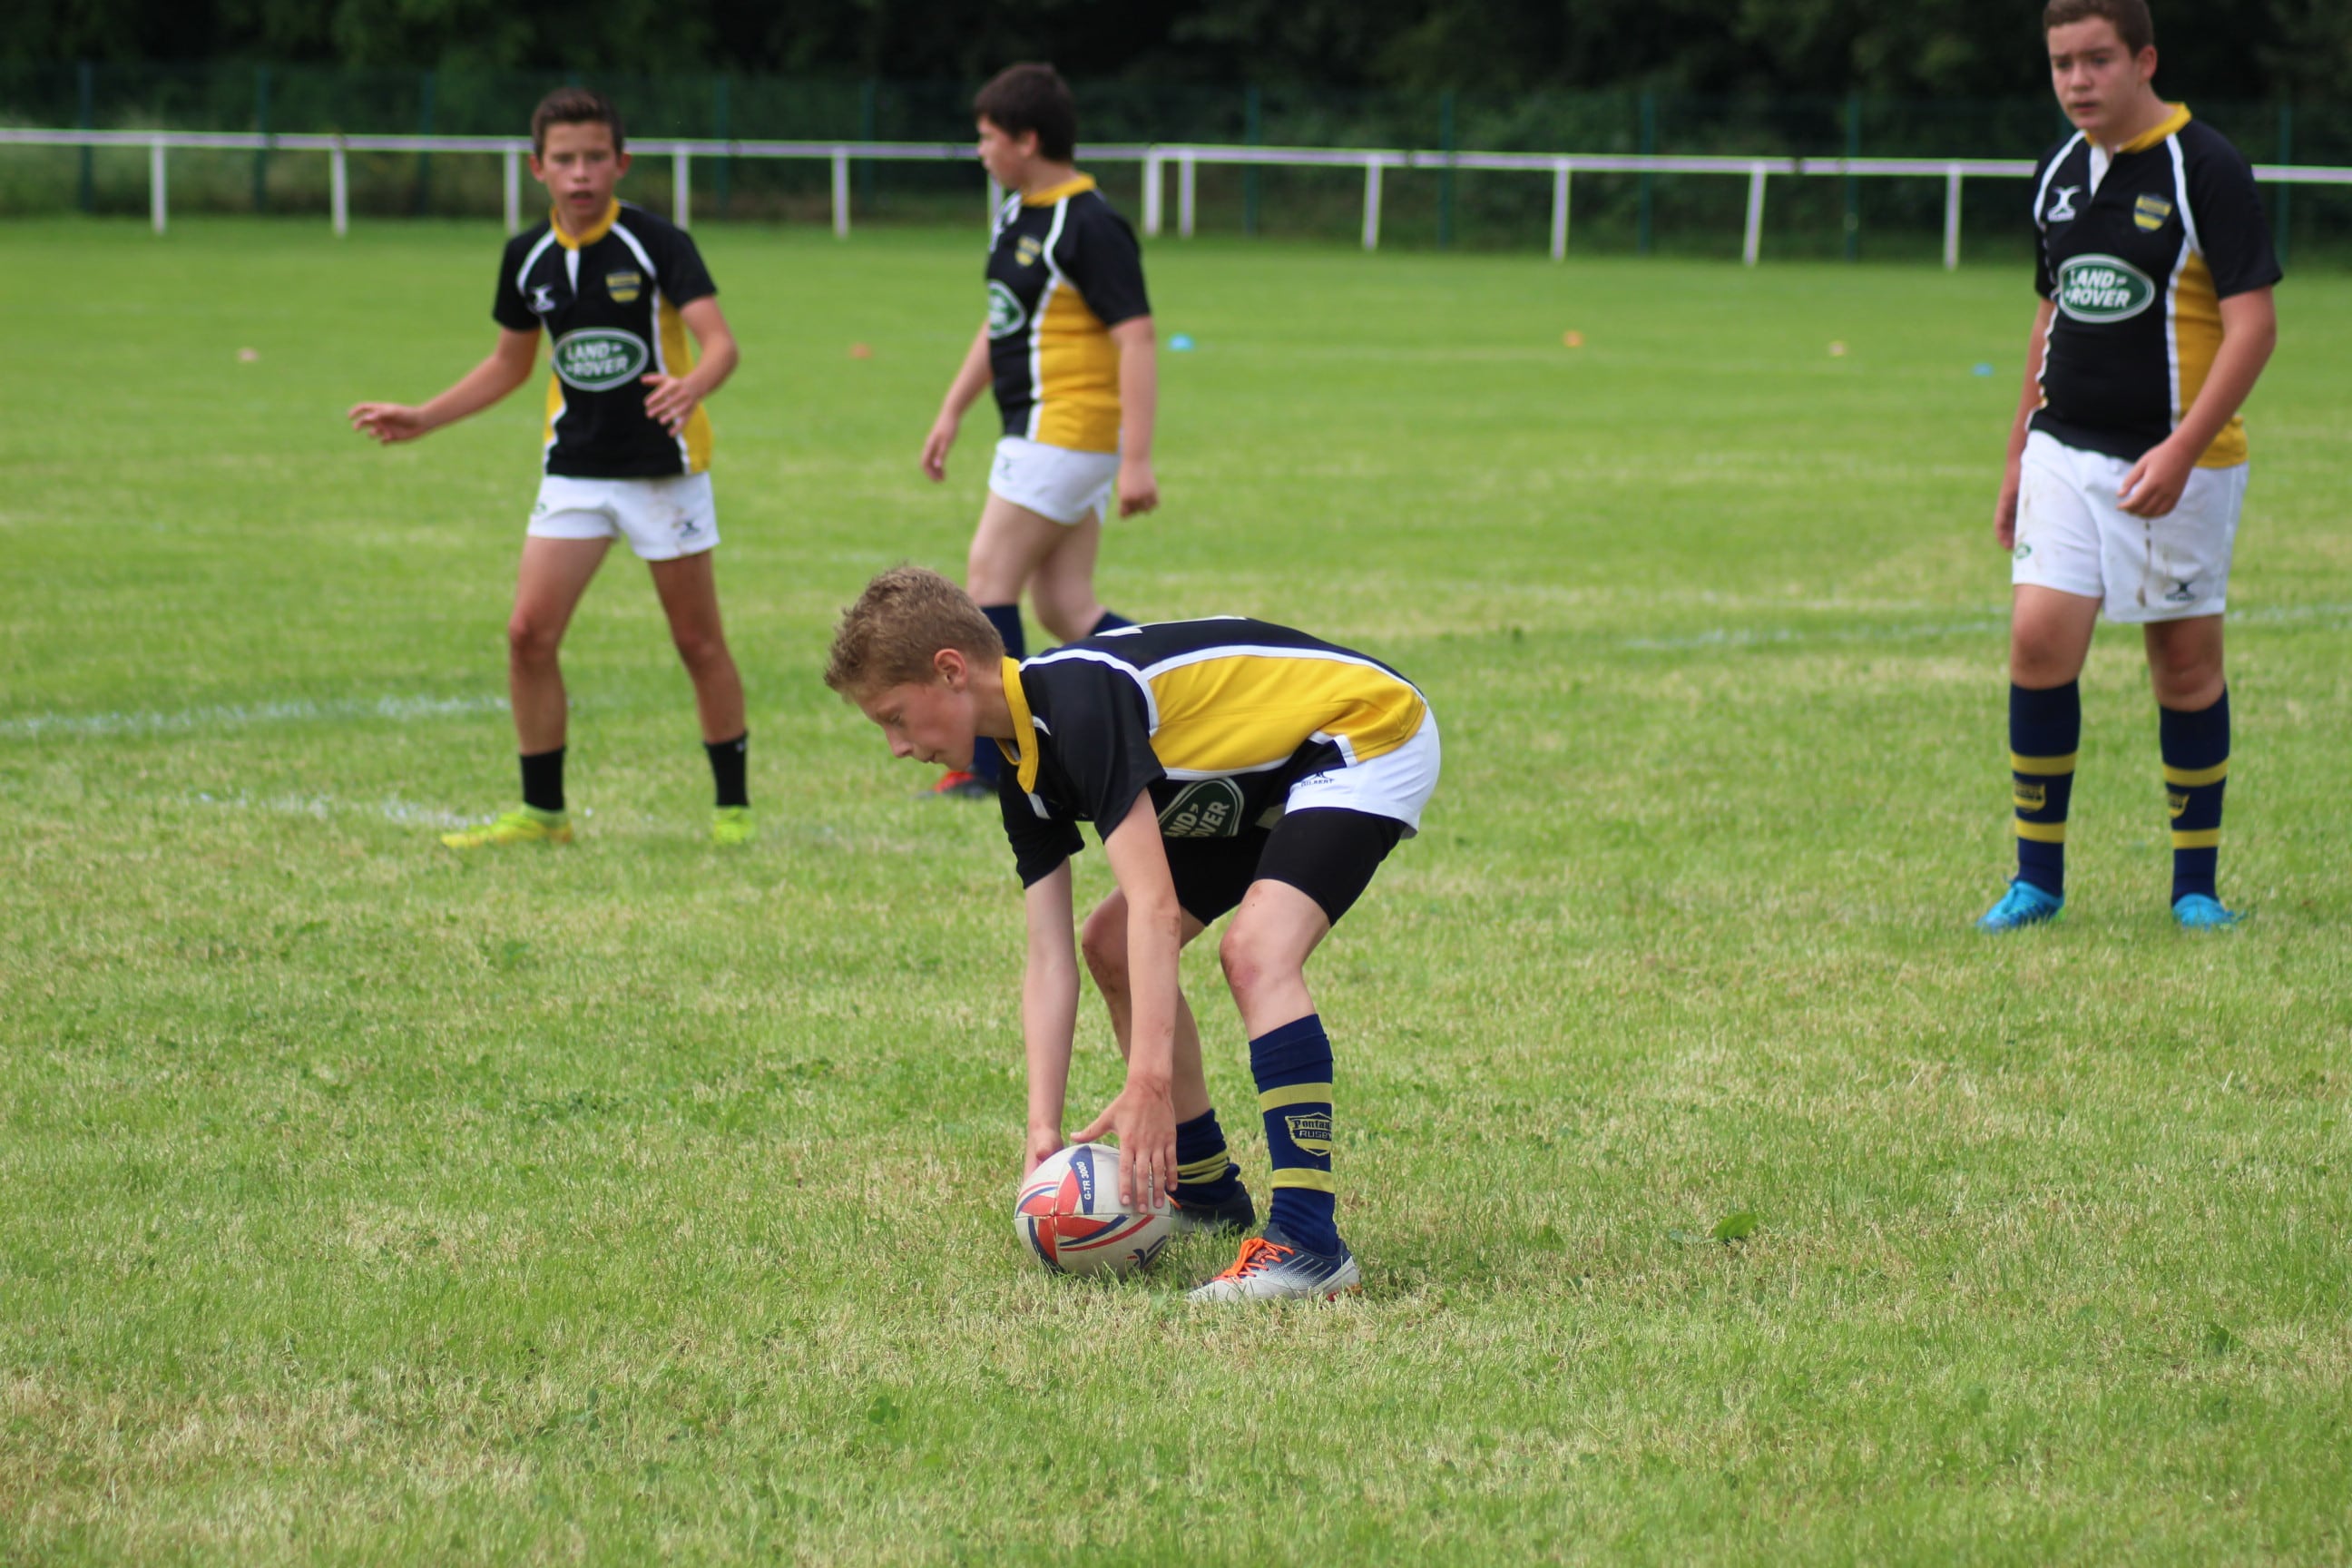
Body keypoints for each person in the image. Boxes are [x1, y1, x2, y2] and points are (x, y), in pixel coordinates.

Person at [825, 567, 1440, 1302]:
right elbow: (1049, 957)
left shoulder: (1080, 705)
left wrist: (1148, 1082)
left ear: (950, 670)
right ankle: (1207, 1191)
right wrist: (1042, 1128)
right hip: (1263, 777)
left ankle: (1309, 1245)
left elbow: (1156, 906)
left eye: (895, 717)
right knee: (1107, 943)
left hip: (1362, 731)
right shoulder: (1024, 764)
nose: (896, 746)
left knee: (1256, 952)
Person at [349, 87, 753, 848]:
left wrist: (694, 384)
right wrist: (424, 416)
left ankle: (732, 809)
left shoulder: (657, 243)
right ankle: (544, 814)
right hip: (574, 471)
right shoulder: (526, 256)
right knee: (528, 634)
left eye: (595, 157)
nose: (581, 173)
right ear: (537, 168)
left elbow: (721, 344)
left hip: (662, 469)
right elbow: (510, 364)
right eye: (564, 159)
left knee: (697, 643)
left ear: (621, 162)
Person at [1982, 0, 2278, 931]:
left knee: (2182, 666)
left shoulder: (2206, 168)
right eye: (2062, 62)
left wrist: (2182, 451)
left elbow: (2254, 327)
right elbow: (2051, 316)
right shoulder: (2057, 172)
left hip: (2178, 461)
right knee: (2038, 641)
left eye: (2097, 59)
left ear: (2145, 60)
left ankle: (2195, 887)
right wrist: (2017, 456)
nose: (2077, 80)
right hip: (2064, 446)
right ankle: (2037, 880)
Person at [918, 63, 1159, 800]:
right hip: (1040, 431)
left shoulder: (1089, 224)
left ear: (1027, 139)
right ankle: (1171, 691)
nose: (981, 152)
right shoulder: (1015, 215)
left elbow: (1138, 338)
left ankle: (995, 768)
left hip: (1067, 428)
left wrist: (1138, 460)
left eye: (988, 138)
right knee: (1065, 607)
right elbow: (1001, 323)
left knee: (988, 581)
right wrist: (953, 409)